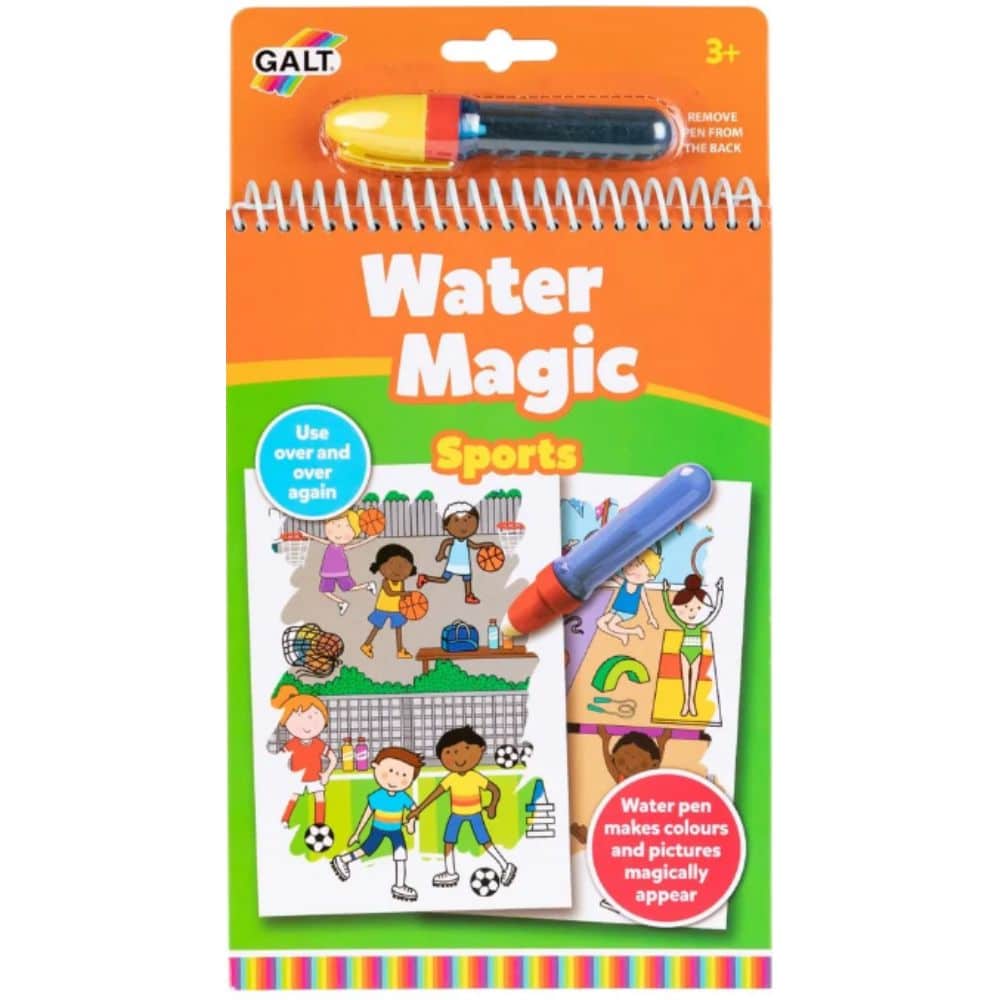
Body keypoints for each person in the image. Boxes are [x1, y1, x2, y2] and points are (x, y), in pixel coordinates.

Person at [410, 726, 516, 887]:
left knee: (485, 841)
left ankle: (505, 865)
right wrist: (418, 809)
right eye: (449, 753)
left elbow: (495, 790)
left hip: (475, 814)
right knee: (448, 841)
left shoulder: (476, 777)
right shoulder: (451, 779)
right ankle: (450, 872)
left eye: (465, 749)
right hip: (456, 815)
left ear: (481, 749)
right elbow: (435, 794)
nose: (457, 757)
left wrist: (492, 806)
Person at [331, 746, 424, 901]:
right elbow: (367, 814)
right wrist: (357, 833)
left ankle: (400, 885)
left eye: (404, 775)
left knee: (401, 854)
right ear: (375, 766)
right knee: (367, 849)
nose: (395, 779)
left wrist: (411, 822)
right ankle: (343, 860)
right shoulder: (377, 796)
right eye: (391, 771)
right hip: (378, 829)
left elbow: (415, 809)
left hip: (396, 831)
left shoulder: (403, 797)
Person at [570, 725, 670, 846]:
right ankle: (590, 836)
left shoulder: (644, 779)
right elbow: (609, 762)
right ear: (614, 758)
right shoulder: (622, 778)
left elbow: (655, 764)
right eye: (624, 759)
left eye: (639, 761)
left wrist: (662, 743)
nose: (631, 764)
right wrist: (605, 740)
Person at [269, 684, 336, 828]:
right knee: (293, 796)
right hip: (297, 777)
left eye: (313, 717)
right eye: (300, 718)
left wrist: (326, 774)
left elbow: (333, 758)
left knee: (319, 797)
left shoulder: (318, 744)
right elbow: (278, 757)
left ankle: (319, 824)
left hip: (314, 777)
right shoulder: (293, 743)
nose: (307, 724)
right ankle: (285, 820)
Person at [662, 574, 724, 717]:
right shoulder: (683, 624)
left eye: (698, 607)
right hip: (684, 651)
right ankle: (686, 702)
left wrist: (720, 591)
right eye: (687, 607)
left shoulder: (701, 625)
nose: (692, 612)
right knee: (685, 677)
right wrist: (665, 592)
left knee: (694, 678)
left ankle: (691, 702)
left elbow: (716, 610)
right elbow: (670, 611)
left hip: (697, 652)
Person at [303, 511, 376, 615]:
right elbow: (319, 540)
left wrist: (370, 538)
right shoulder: (330, 544)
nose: (338, 531)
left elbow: (358, 544)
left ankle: (367, 585)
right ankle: (342, 602)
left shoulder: (342, 547)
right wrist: (308, 535)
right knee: (325, 591)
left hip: (340, 571)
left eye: (346, 527)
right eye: (335, 525)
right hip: (327, 572)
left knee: (348, 588)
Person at [417, 502, 491, 605]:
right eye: (456, 520)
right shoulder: (453, 540)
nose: (463, 525)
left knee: (467, 579)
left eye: (467, 519)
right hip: (453, 564)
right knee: (444, 579)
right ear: (446, 526)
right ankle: (425, 578)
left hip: (465, 565)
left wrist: (485, 544)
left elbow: (475, 546)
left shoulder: (466, 541)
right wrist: (441, 554)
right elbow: (445, 542)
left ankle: (468, 595)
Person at [361, 544, 417, 660]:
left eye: (404, 565)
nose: (398, 569)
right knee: (377, 626)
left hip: (396, 609)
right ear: (381, 566)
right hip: (383, 607)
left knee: (398, 628)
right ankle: (366, 645)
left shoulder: (401, 582)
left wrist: (408, 602)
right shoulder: (386, 581)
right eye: (392, 564)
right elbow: (390, 593)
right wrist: (402, 594)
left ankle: (400, 650)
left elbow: (402, 594)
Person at [595, 549, 661, 645]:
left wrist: (651, 617)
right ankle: (621, 636)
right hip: (615, 609)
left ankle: (636, 630)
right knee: (600, 622)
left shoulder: (640, 588)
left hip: (627, 611)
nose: (631, 569)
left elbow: (645, 602)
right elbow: (613, 576)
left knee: (612, 625)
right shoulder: (624, 582)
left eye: (637, 566)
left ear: (650, 577)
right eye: (630, 564)